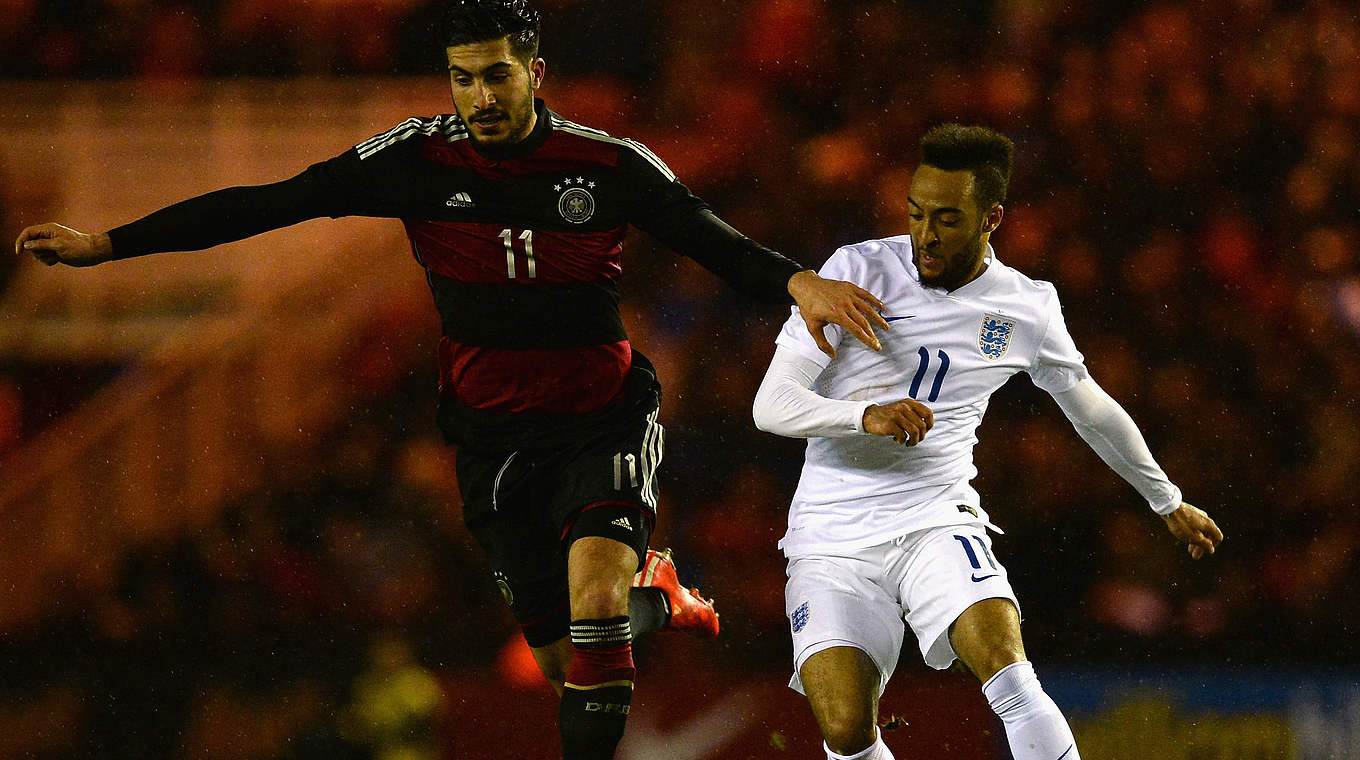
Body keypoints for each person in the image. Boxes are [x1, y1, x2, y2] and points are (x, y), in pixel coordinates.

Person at [13, 2, 889, 758]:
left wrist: (797, 281)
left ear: (536, 72)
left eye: (497, 76)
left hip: (601, 419)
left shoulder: (606, 164)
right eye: (463, 79)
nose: (480, 97)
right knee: (556, 659)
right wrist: (108, 243)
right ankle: (655, 599)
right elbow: (265, 202)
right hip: (491, 435)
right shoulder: (416, 161)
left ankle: (620, 610)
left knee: (590, 602)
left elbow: (713, 240)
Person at [752, 124, 1224, 760]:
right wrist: (866, 415)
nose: (925, 234)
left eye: (947, 219)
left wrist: (1167, 501)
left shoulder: (1026, 307)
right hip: (831, 531)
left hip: (936, 516)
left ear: (991, 217)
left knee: (1006, 665)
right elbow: (770, 406)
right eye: (916, 213)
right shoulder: (854, 272)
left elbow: (1091, 409)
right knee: (844, 728)